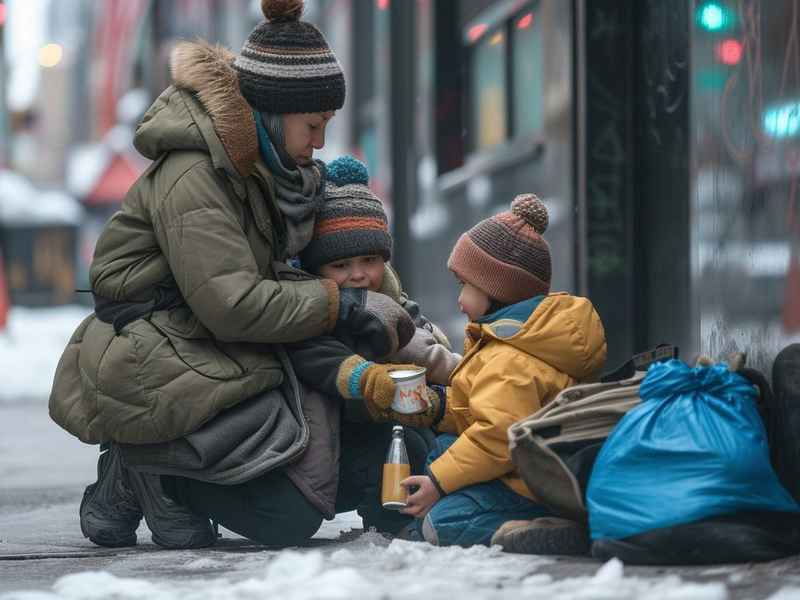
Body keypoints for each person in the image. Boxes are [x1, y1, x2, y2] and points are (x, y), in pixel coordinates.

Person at [49, 0, 420, 550]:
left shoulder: (276, 169)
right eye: (313, 126)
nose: (320, 142)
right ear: (274, 113)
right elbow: (231, 303)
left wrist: (396, 310)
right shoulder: (196, 172)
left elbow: (337, 253)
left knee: (364, 437)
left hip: (221, 340)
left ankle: (183, 476)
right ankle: (150, 466)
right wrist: (342, 306)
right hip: (159, 347)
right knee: (287, 517)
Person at [397, 194, 608, 547]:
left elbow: (496, 436)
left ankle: (532, 528)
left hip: (528, 485)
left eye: (464, 285)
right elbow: (485, 409)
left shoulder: (511, 360)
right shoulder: (509, 341)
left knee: (443, 522)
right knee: (443, 447)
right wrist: (439, 406)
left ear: (496, 290)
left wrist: (437, 482)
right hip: (522, 468)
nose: (459, 300)